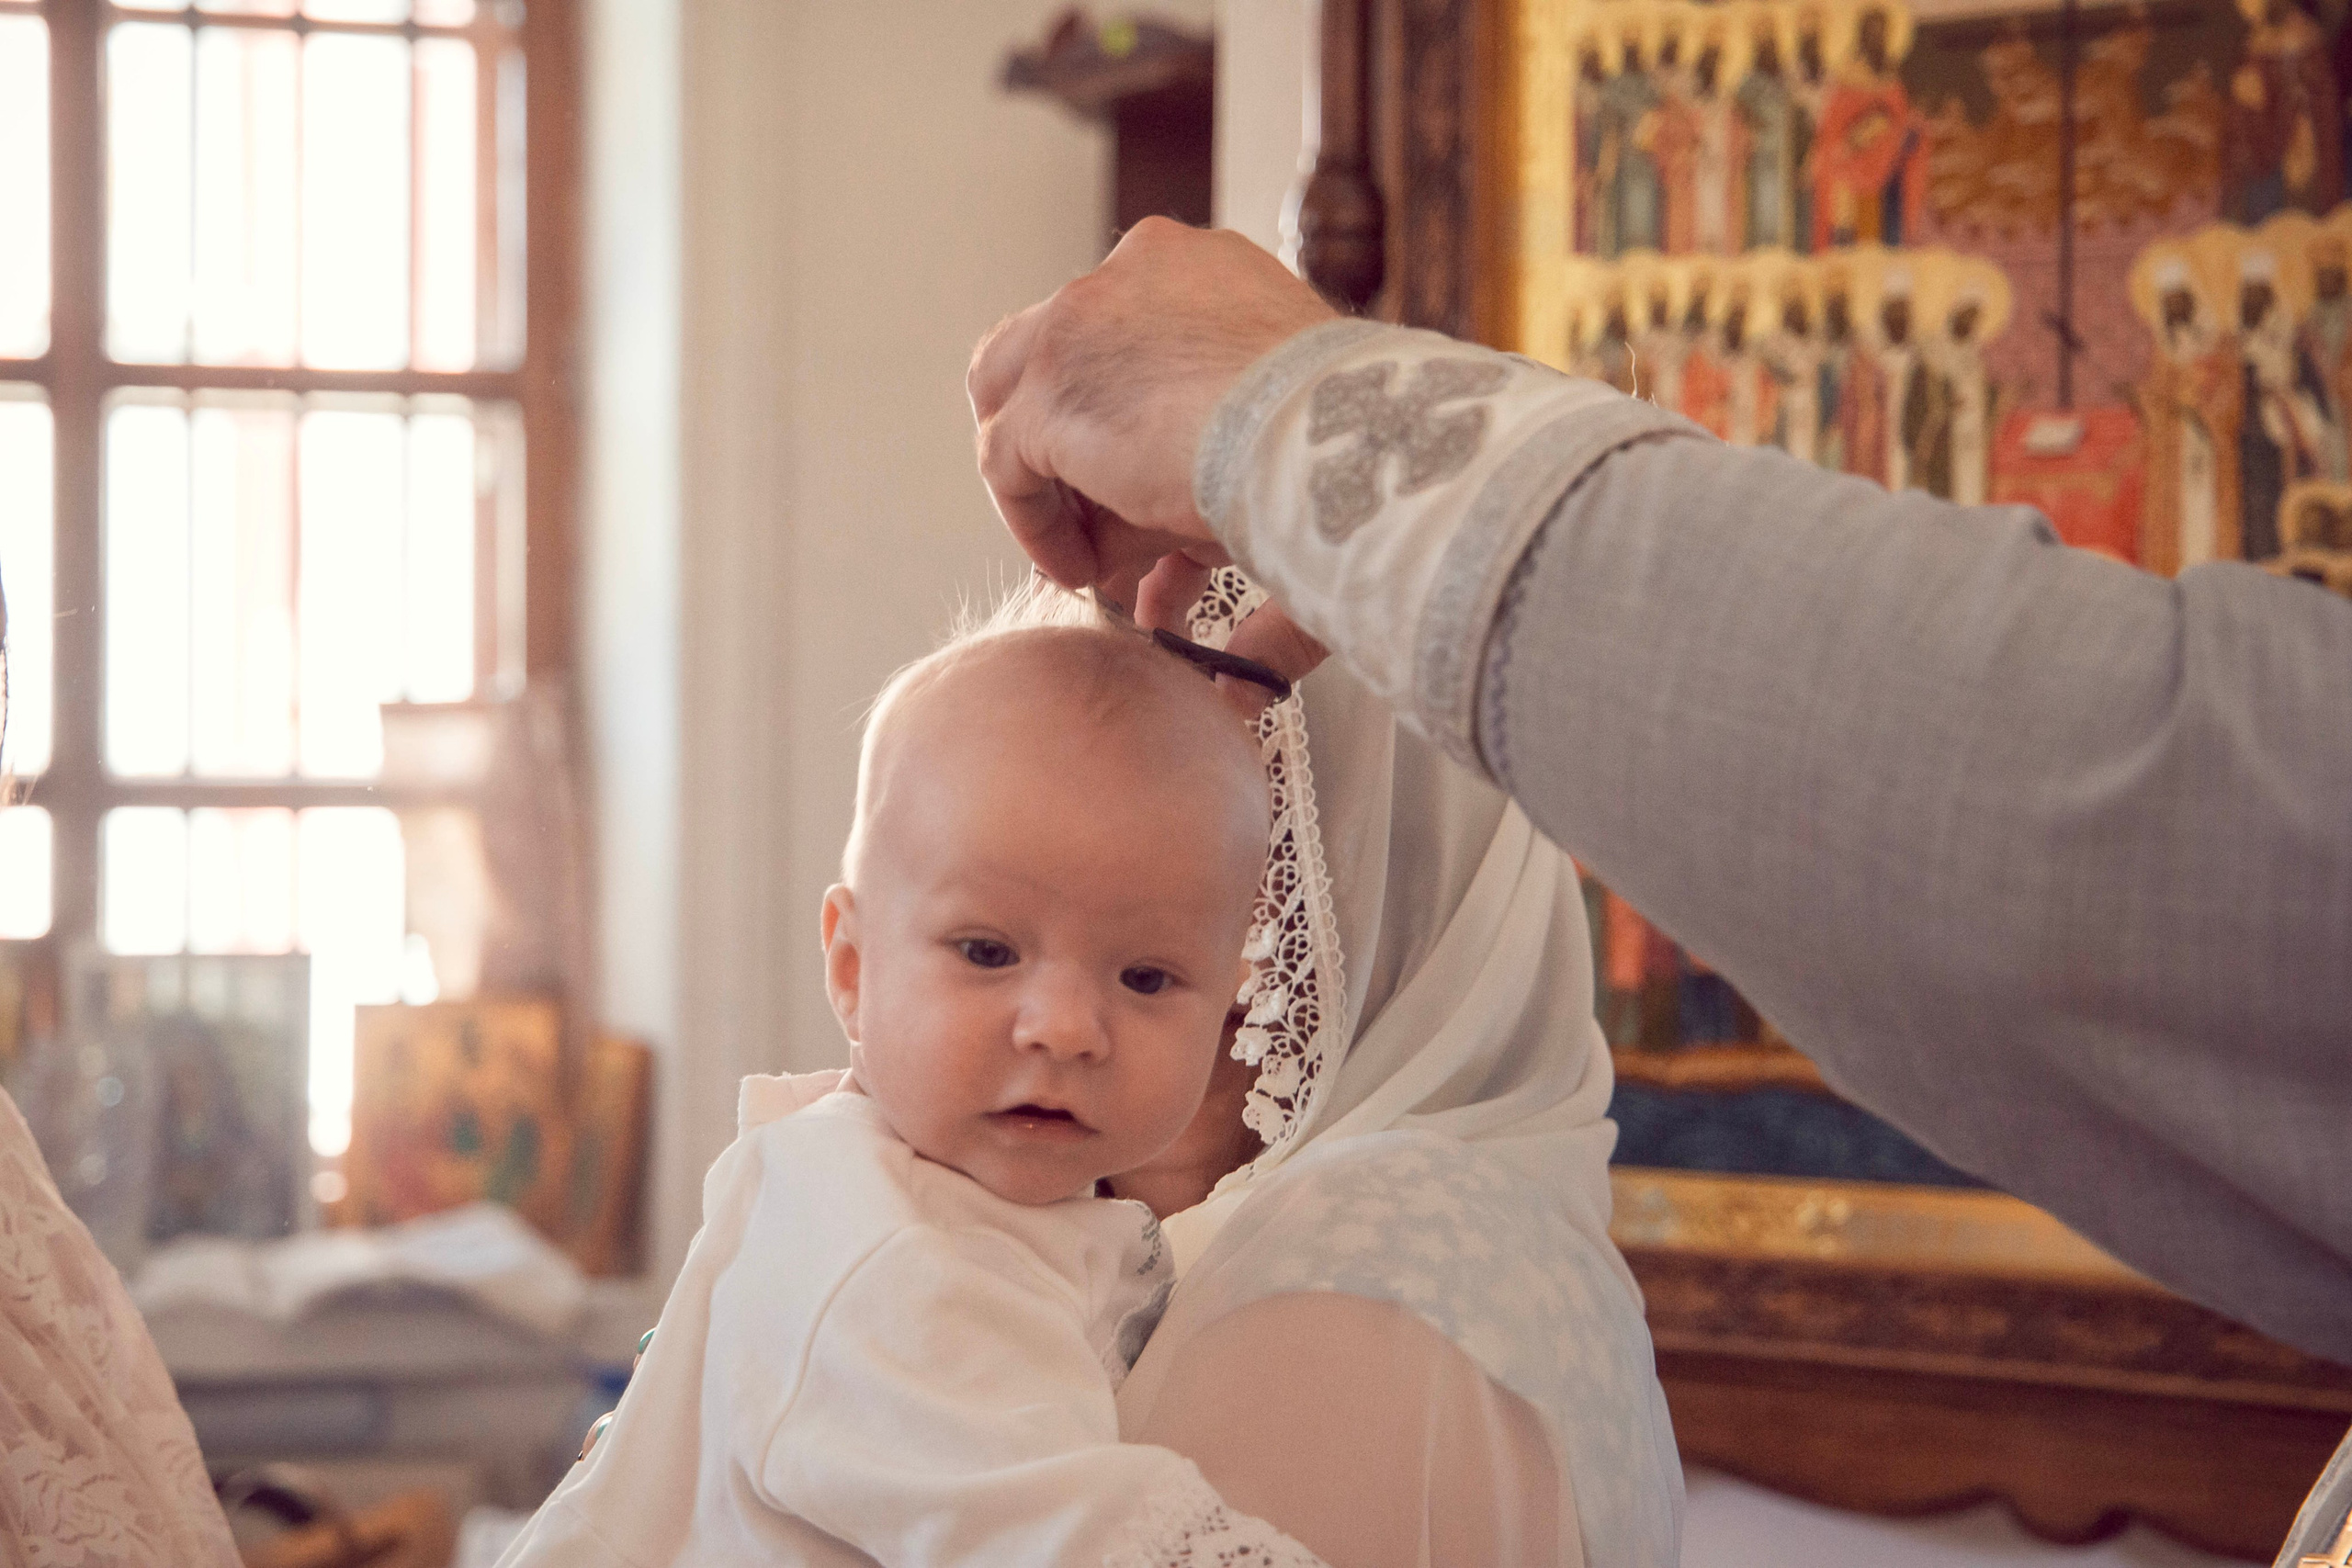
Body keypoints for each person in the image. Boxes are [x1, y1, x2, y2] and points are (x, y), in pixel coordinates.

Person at [967, 217, 2352, 1559]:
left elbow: (2093, 839)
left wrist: (1283, 410)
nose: (1044, 1020)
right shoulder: (1436, 1242)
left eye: (1144, 948)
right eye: (985, 936)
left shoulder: (1333, 1302)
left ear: (1284, 922)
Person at [492, 596, 1332, 1566]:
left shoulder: (967, 1205)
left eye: (1145, 977)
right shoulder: (885, 1253)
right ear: (852, 970)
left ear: (1231, 1001)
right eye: (986, 951)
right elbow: (1082, 1544)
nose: (1063, 1028)